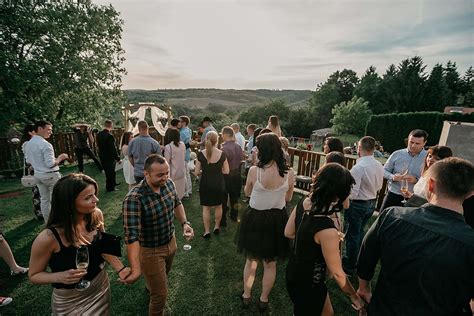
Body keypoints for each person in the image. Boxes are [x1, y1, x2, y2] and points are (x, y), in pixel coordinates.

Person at [357, 157, 474, 315]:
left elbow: (366, 256)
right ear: (470, 193)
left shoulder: (392, 216)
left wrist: (364, 289)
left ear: (431, 184)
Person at [28, 173, 131, 315]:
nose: (96, 200)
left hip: (100, 287)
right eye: (88, 197)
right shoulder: (48, 238)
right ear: (68, 203)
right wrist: (59, 276)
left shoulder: (96, 215)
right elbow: (34, 275)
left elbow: (103, 248)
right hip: (69, 300)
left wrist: (121, 269)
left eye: (94, 194)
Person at [285, 163, 365, 315]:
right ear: (338, 193)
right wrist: (355, 298)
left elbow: (288, 232)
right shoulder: (327, 229)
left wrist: (310, 240)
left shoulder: (304, 202)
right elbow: (337, 273)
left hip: (294, 271)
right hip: (310, 283)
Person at [121, 154, 194, 316]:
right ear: (146, 174)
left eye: (167, 173)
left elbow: (177, 203)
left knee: (163, 276)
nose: (165, 177)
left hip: (171, 241)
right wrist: (135, 268)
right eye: (160, 175)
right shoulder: (134, 199)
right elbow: (131, 237)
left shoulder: (169, 184)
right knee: (160, 295)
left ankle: (151, 285)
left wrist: (185, 223)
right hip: (150, 251)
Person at [237, 133, 295, 312]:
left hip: (255, 218)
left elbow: (247, 192)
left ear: (262, 150)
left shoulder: (255, 170)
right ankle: (263, 299)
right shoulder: (289, 173)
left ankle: (247, 295)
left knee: (252, 261)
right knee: (270, 264)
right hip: (277, 220)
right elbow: (288, 198)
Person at [341, 136, 384, 276]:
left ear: (359, 148)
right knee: (359, 233)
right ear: (373, 149)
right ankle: (358, 260)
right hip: (372, 203)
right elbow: (379, 186)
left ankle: (349, 266)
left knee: (352, 235)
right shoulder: (378, 164)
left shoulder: (358, 167)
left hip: (358, 205)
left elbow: (352, 194)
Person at [25, 120, 69, 222]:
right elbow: (50, 164)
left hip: (38, 175)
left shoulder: (28, 144)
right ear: (40, 129)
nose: (51, 132)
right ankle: (60, 222)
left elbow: (28, 161)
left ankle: (48, 222)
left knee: (44, 200)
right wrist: (61, 157)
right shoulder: (45, 144)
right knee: (58, 199)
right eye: (49, 129)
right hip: (50, 176)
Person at [380, 129, 428, 210]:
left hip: (414, 198)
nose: (413, 145)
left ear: (424, 143)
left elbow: (430, 179)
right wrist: (392, 177)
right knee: (382, 220)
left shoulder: (428, 158)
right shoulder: (397, 154)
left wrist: (416, 180)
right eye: (411, 142)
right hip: (393, 194)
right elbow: (383, 171)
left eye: (417, 143)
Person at [194, 131, 229, 238]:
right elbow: (227, 171)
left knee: (206, 208)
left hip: (205, 183)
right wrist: (218, 171)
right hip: (218, 183)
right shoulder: (222, 154)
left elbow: (196, 172)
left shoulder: (201, 154)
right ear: (217, 140)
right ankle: (217, 227)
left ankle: (207, 231)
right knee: (219, 206)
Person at [221, 126, 243, 225]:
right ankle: (234, 216)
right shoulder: (238, 146)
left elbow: (222, 164)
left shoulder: (224, 148)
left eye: (222, 134)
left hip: (227, 175)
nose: (221, 136)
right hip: (237, 174)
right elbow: (241, 159)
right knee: (234, 197)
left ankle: (223, 220)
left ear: (226, 135)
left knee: (223, 198)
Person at [21, 123, 43, 221]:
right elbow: (29, 160)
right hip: (34, 168)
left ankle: (44, 212)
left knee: (41, 190)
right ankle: (39, 213)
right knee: (36, 191)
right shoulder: (27, 144)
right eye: (34, 131)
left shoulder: (36, 142)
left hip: (38, 167)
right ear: (30, 132)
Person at [97, 120, 121, 192]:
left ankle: (113, 183)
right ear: (111, 126)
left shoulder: (99, 134)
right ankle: (110, 188)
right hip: (109, 157)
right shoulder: (109, 136)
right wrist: (117, 158)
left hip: (102, 156)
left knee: (110, 172)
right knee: (110, 172)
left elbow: (98, 145)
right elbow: (113, 148)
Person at [163, 129, 186, 200]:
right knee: (179, 196)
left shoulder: (168, 147)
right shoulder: (182, 144)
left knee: (172, 196)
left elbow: (166, 162)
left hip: (172, 174)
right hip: (181, 172)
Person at [179, 116, 193, 198]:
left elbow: (180, 145)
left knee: (184, 173)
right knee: (187, 173)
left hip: (183, 153)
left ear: (184, 122)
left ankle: (186, 191)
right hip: (187, 152)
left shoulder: (182, 133)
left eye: (180, 121)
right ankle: (189, 189)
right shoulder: (189, 130)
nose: (178, 122)